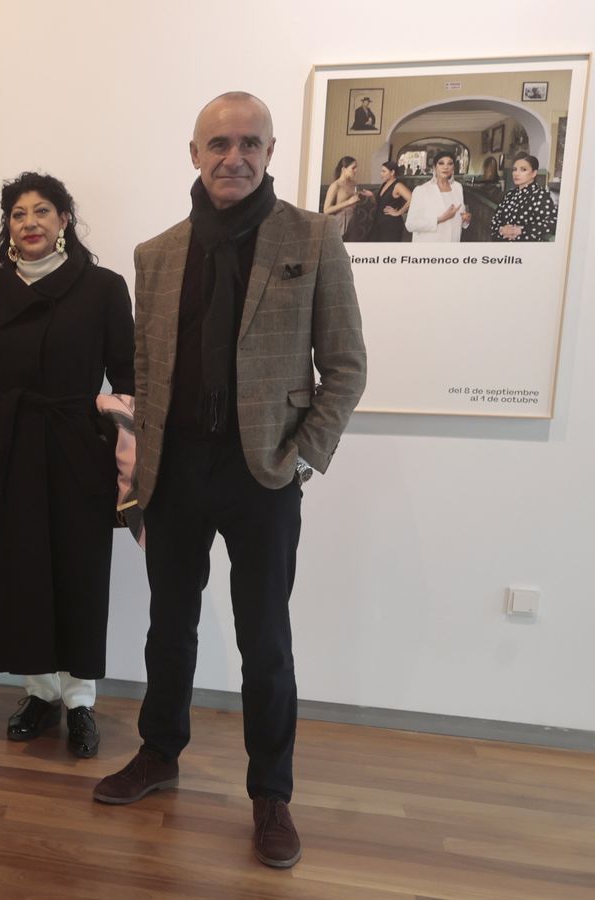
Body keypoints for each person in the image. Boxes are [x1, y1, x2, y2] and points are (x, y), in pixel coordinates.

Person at [92, 92, 366, 870]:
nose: (233, 157)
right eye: (219, 143)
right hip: (174, 471)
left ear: (271, 153)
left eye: (249, 143)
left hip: (265, 475)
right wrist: (138, 466)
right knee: (167, 628)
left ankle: (270, 794)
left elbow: (345, 368)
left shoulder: (313, 240)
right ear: (193, 151)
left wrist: (305, 460)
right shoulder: (156, 254)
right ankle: (159, 752)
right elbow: (146, 371)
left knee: (264, 641)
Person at [0, 172, 131, 757]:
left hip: (75, 450)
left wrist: (114, 442)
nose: (29, 222)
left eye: (42, 211)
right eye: (17, 213)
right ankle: (38, 692)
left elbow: (129, 379)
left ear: (63, 221)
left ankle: (80, 700)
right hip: (5, 452)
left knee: (79, 575)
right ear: (7, 227)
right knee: (21, 573)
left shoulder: (103, 288)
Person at [405, 150, 470, 242]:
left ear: (453, 168)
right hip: (430, 246)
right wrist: (441, 219)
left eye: (450, 164)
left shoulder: (458, 187)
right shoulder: (421, 190)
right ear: (435, 167)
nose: (446, 167)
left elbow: (460, 216)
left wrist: (465, 220)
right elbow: (410, 224)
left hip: (452, 243)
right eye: (441, 163)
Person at [491, 153, 558, 242]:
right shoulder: (510, 194)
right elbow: (495, 219)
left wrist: (521, 230)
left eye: (523, 169)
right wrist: (502, 229)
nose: (516, 173)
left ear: (534, 173)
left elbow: (552, 223)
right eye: (514, 169)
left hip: (526, 250)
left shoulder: (540, 195)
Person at [321, 156, 373, 241]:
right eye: (353, 168)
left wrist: (369, 195)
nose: (356, 170)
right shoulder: (335, 186)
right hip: (340, 223)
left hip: (354, 221)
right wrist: (348, 202)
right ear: (344, 169)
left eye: (356, 168)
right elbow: (326, 210)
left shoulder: (354, 183)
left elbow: (356, 200)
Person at [370, 161, 412, 243]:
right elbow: (380, 203)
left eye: (384, 171)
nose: (381, 174)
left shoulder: (398, 185)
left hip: (391, 226)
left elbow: (412, 199)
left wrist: (399, 212)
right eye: (381, 171)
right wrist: (371, 195)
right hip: (379, 223)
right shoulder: (384, 184)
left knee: (389, 252)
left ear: (392, 172)